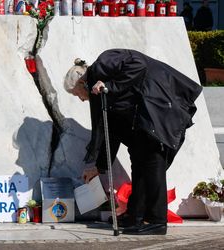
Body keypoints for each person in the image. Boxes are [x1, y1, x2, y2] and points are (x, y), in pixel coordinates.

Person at [64, 49, 202, 235]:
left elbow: (138, 64)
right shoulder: (100, 90)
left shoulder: (102, 64)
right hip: (146, 120)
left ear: (82, 82)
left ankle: (157, 221)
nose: (81, 99)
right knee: (139, 160)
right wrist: (99, 165)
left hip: (159, 111)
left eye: (76, 94)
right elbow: (109, 130)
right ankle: (135, 216)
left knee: (153, 165)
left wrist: (110, 85)